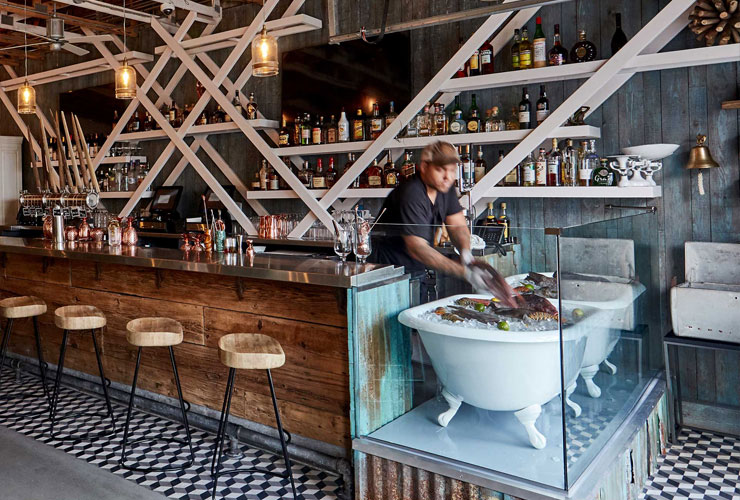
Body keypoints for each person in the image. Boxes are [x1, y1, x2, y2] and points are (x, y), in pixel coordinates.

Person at [374, 141, 515, 303]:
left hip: (413, 268)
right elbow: (417, 248)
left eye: (452, 170)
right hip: (387, 272)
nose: (448, 177)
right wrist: (465, 273)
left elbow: (458, 225)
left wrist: (466, 254)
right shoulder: (412, 193)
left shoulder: (444, 188)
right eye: (440, 170)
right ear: (424, 167)